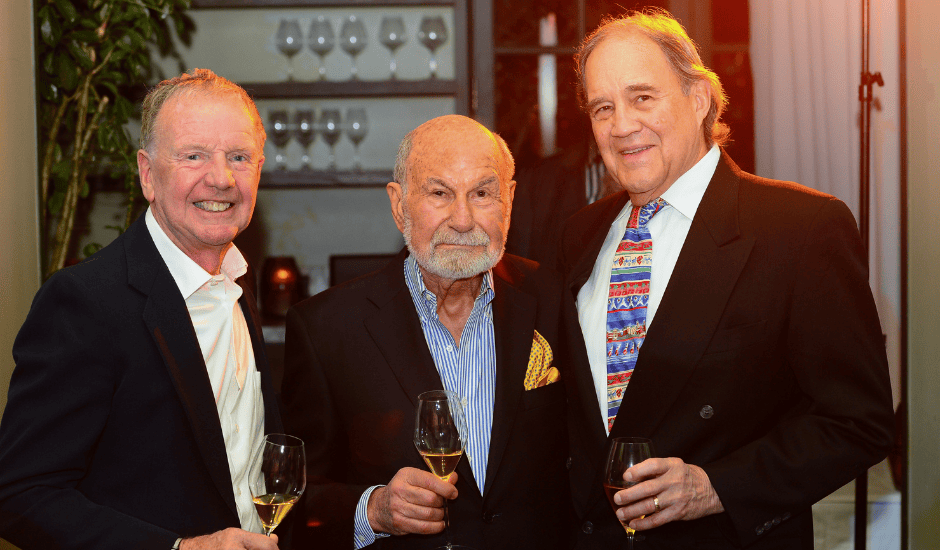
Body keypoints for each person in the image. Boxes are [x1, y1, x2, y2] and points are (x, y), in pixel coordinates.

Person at [559, 10, 895, 550]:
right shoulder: (578, 235)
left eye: (642, 97)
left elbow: (859, 422)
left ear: (698, 99)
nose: (621, 125)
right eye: (603, 107)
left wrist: (716, 487)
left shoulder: (800, 228)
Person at [0, 69, 284, 550]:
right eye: (193, 156)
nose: (221, 178)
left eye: (238, 157)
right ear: (148, 174)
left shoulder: (237, 278)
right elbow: (20, 494)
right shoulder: (84, 303)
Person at [281, 114, 576, 550]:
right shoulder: (326, 329)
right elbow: (292, 496)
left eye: (482, 193)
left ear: (510, 200)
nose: (463, 219)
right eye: (439, 193)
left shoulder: (554, 299)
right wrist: (373, 509)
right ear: (399, 204)